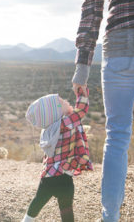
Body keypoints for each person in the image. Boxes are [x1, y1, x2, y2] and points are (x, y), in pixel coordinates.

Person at [72, 0, 134, 221]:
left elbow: (92, 7)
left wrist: (82, 67)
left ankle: (110, 217)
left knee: (116, 136)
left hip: (118, 43)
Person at [21, 87, 93, 222]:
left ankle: (26, 220)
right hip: (64, 177)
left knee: (38, 201)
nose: (66, 101)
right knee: (66, 208)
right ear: (56, 111)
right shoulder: (65, 123)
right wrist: (81, 92)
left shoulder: (48, 129)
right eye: (62, 101)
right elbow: (82, 110)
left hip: (48, 176)